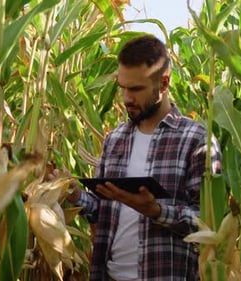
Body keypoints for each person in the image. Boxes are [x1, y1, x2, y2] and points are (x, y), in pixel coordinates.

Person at [66, 34, 222, 280]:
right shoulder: (115, 139)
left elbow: (210, 223)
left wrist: (156, 210)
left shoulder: (197, 140)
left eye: (136, 89)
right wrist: (74, 194)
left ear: (164, 83)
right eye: (123, 88)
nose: (127, 98)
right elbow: (102, 212)